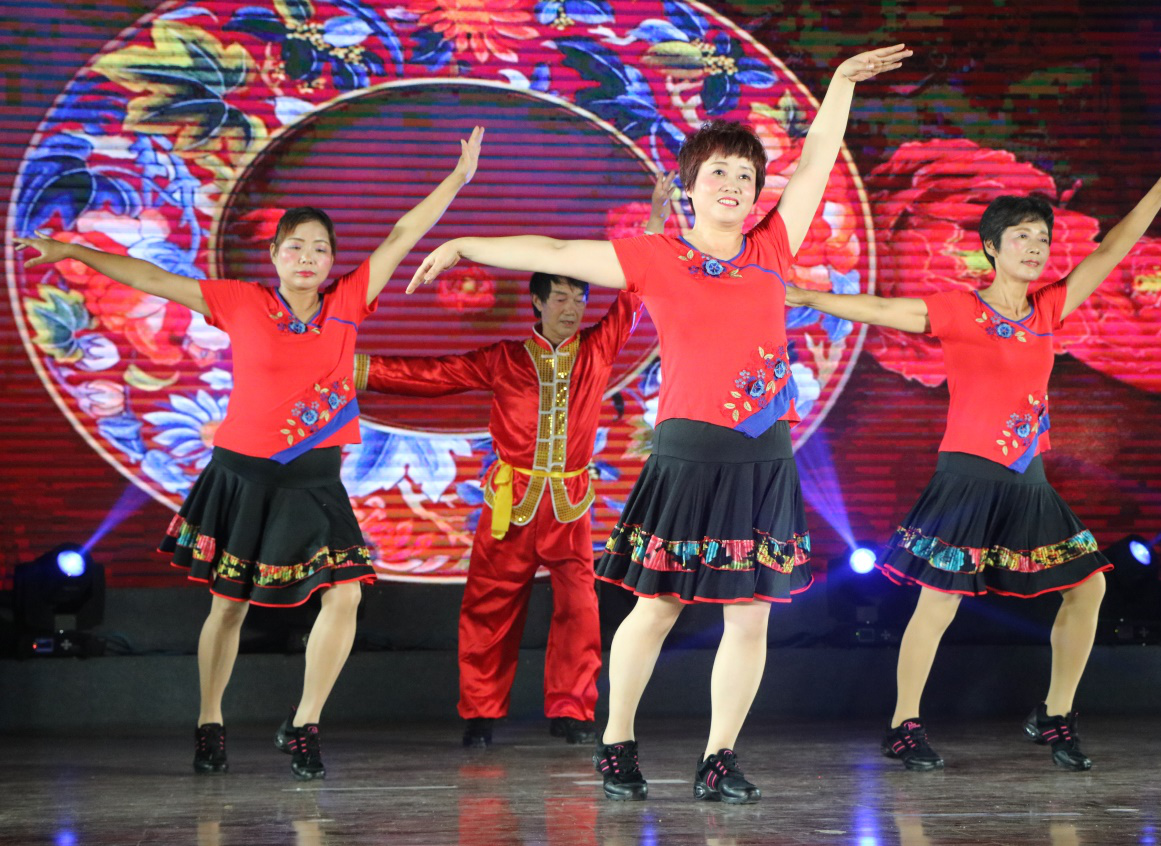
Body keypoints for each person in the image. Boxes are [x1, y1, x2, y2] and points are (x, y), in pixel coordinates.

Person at [406, 45, 910, 803]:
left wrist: (837, 84)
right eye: (719, 173)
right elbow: (554, 249)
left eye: (746, 176)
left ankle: (719, 758)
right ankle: (616, 741)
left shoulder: (773, 246)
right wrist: (461, 244)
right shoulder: (654, 257)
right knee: (659, 605)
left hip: (763, 457)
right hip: (686, 455)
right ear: (688, 186)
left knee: (751, 616)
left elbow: (814, 164)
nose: (734, 185)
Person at [15, 127, 485, 780]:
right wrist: (71, 249)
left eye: (320, 249)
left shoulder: (348, 302)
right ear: (274, 254)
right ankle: (210, 721)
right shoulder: (242, 302)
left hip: (315, 481)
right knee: (229, 606)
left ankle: (304, 723)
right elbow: (152, 277)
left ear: (332, 260)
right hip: (241, 477)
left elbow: (403, 234)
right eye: (295, 247)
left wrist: (458, 179)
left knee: (346, 596)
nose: (307, 257)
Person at [785, 132, 1161, 772]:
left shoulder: (1049, 308)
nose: (1035, 248)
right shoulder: (960, 310)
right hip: (967, 479)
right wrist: (809, 297)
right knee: (938, 601)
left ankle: (1055, 715)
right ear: (990, 248)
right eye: (1021, 238)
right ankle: (902, 725)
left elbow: (1114, 247)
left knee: (1088, 587)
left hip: (1028, 482)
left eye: (1042, 239)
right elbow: (879, 307)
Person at [353, 175, 673, 748]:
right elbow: (431, 375)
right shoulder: (504, 359)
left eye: (579, 298)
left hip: (570, 506)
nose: (572, 308)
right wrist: (350, 366)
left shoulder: (597, 349)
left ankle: (572, 710)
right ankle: (480, 712)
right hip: (510, 503)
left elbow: (634, 291)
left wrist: (655, 221)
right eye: (561, 298)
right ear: (537, 302)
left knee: (580, 608)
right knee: (489, 606)